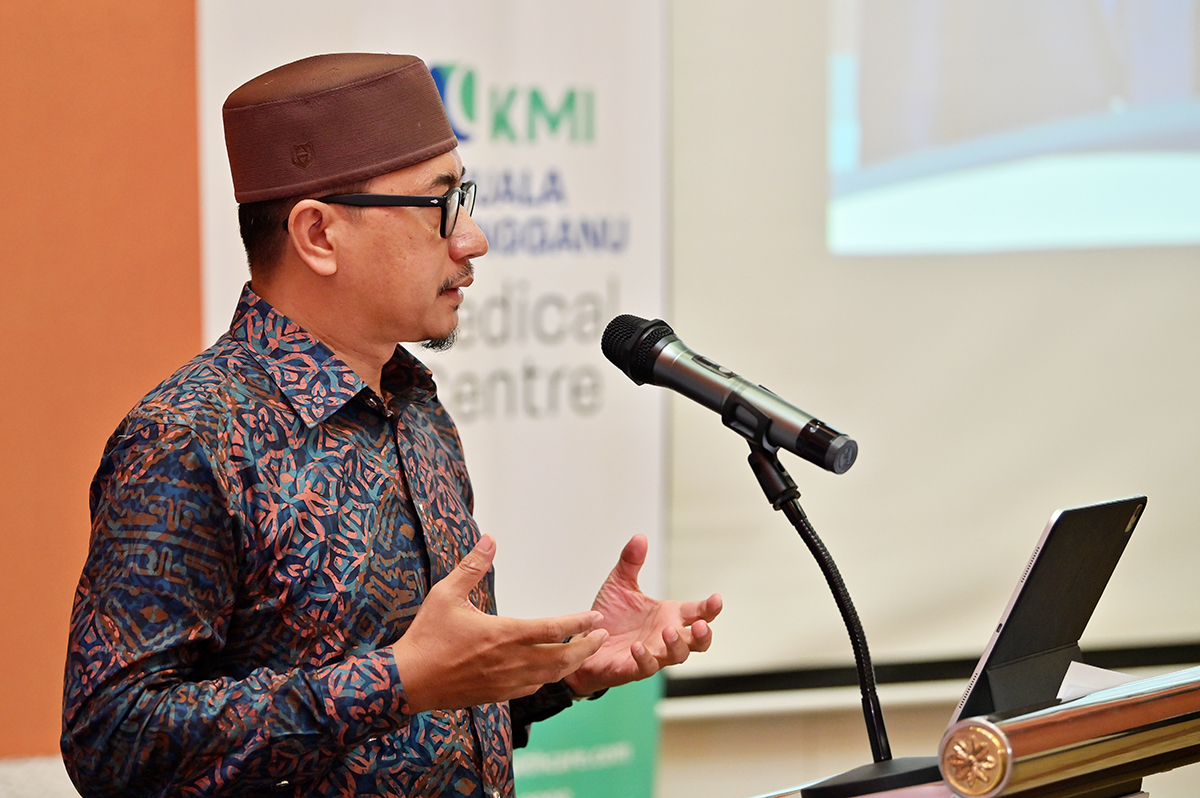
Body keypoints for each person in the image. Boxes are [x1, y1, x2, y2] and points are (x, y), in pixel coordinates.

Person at [61, 53, 722, 798]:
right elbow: (112, 740)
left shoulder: (413, 407)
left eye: (464, 197)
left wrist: (564, 670)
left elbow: (421, 719)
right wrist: (396, 680)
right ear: (319, 234)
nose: (472, 240)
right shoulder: (190, 438)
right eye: (439, 205)